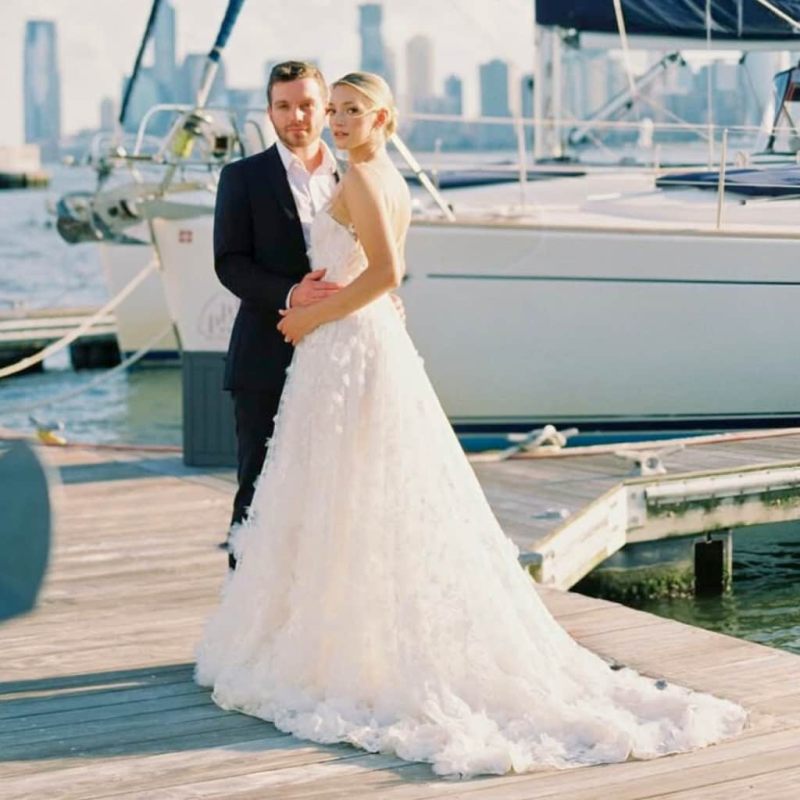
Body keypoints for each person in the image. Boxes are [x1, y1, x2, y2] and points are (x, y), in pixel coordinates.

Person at [196, 71, 746, 779]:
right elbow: (298, 263)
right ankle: (317, 627)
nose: (328, 118)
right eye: (325, 108)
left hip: (339, 341)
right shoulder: (365, 173)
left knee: (343, 487)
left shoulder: (359, 175)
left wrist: (311, 315)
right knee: (334, 489)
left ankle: (318, 642)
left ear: (381, 116)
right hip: (347, 348)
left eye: (344, 108)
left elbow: (385, 272)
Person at [213, 61, 402, 570]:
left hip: (341, 360)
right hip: (267, 353)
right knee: (259, 491)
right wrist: (293, 294)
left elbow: (376, 260)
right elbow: (229, 263)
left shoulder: (353, 169)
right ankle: (244, 611)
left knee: (334, 494)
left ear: (324, 108)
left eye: (307, 105)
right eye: (283, 106)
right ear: (270, 110)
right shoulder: (242, 177)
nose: (296, 116)